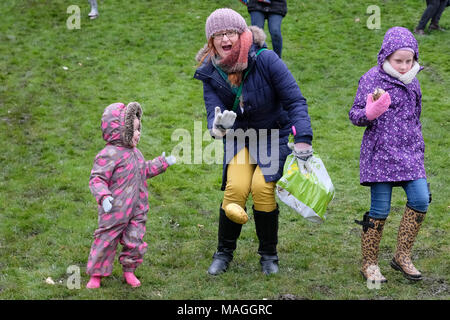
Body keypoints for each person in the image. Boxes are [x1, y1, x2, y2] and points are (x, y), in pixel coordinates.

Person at [194, 8, 313, 275]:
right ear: (211, 41)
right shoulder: (210, 72)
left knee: (262, 187)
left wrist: (303, 138)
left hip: (273, 134)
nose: (225, 39)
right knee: (235, 189)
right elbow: (213, 115)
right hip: (239, 137)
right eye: (218, 35)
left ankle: (268, 254)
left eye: (230, 33)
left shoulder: (266, 59)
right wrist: (218, 127)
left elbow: (295, 101)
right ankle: (223, 253)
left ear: (241, 33)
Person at [349, 27, 431, 283]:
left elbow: (416, 118)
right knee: (380, 209)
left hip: (410, 154)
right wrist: (369, 113)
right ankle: (369, 264)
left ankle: (402, 256)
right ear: (386, 56)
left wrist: (418, 148)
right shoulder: (372, 78)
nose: (405, 66)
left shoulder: (414, 81)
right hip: (380, 154)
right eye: (399, 61)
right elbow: (355, 114)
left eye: (410, 61)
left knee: (421, 199)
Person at [86, 102, 176, 288]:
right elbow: (97, 179)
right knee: (105, 240)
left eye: (138, 129)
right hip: (114, 210)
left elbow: (145, 170)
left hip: (137, 208)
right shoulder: (108, 154)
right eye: (134, 130)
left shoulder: (137, 154)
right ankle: (96, 274)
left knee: (134, 240)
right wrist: (104, 197)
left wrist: (162, 162)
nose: (138, 133)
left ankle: (129, 271)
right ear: (121, 131)